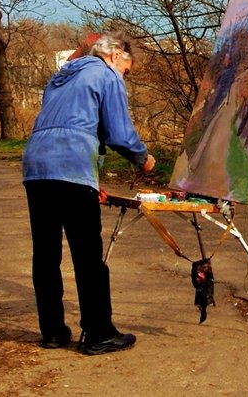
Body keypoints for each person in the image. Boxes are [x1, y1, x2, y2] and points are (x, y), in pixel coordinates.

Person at [21, 33, 155, 355]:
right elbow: (118, 133)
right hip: (70, 160)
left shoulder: (61, 76)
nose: (126, 75)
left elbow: (79, 127)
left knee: (46, 254)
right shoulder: (106, 75)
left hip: (37, 166)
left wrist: (91, 179)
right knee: (87, 254)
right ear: (116, 55)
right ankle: (98, 332)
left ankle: (53, 332)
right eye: (128, 69)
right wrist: (142, 157)